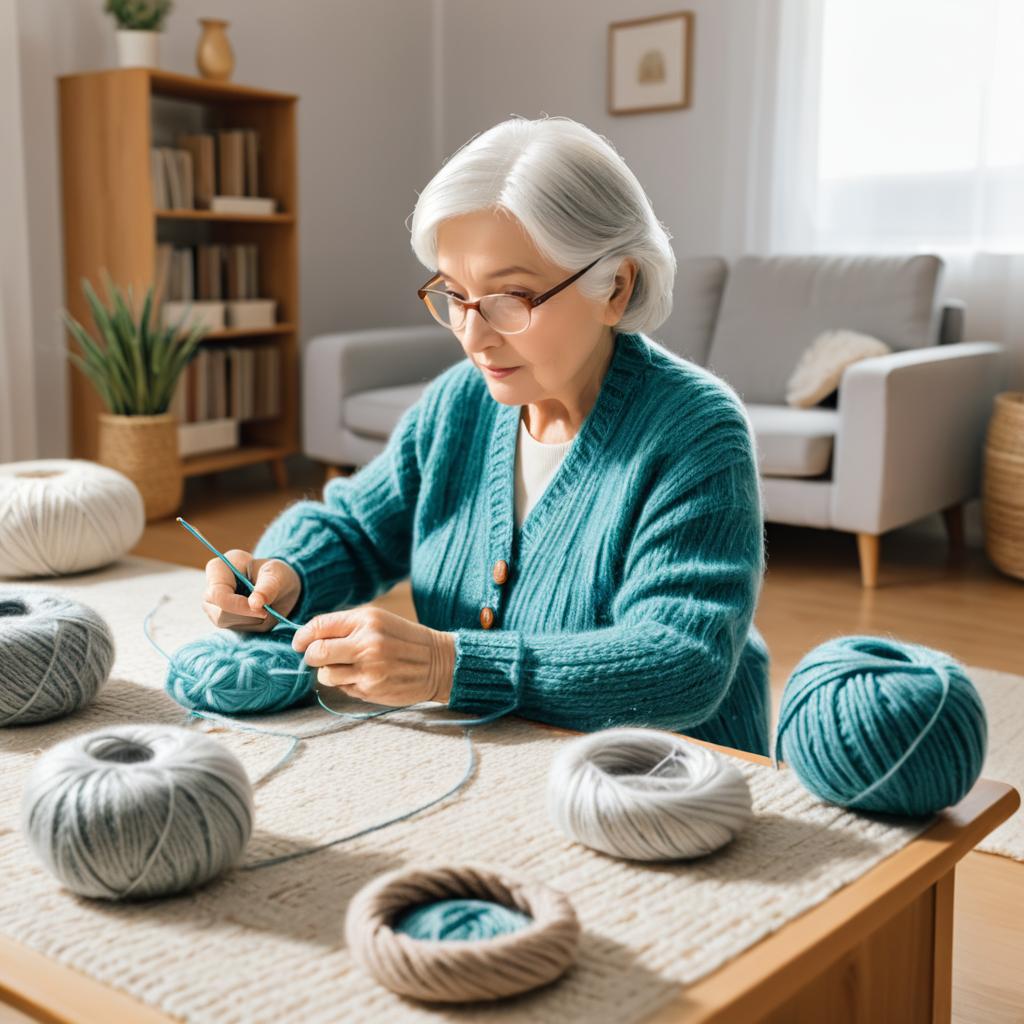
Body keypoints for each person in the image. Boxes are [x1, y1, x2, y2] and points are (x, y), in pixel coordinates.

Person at [202, 115, 771, 755]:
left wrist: (450, 665)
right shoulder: (459, 405)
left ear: (616, 286)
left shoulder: (696, 428)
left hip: (670, 781)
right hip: (500, 765)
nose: (473, 335)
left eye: (512, 297)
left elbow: (682, 660)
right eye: (454, 294)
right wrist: (287, 573)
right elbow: (358, 528)